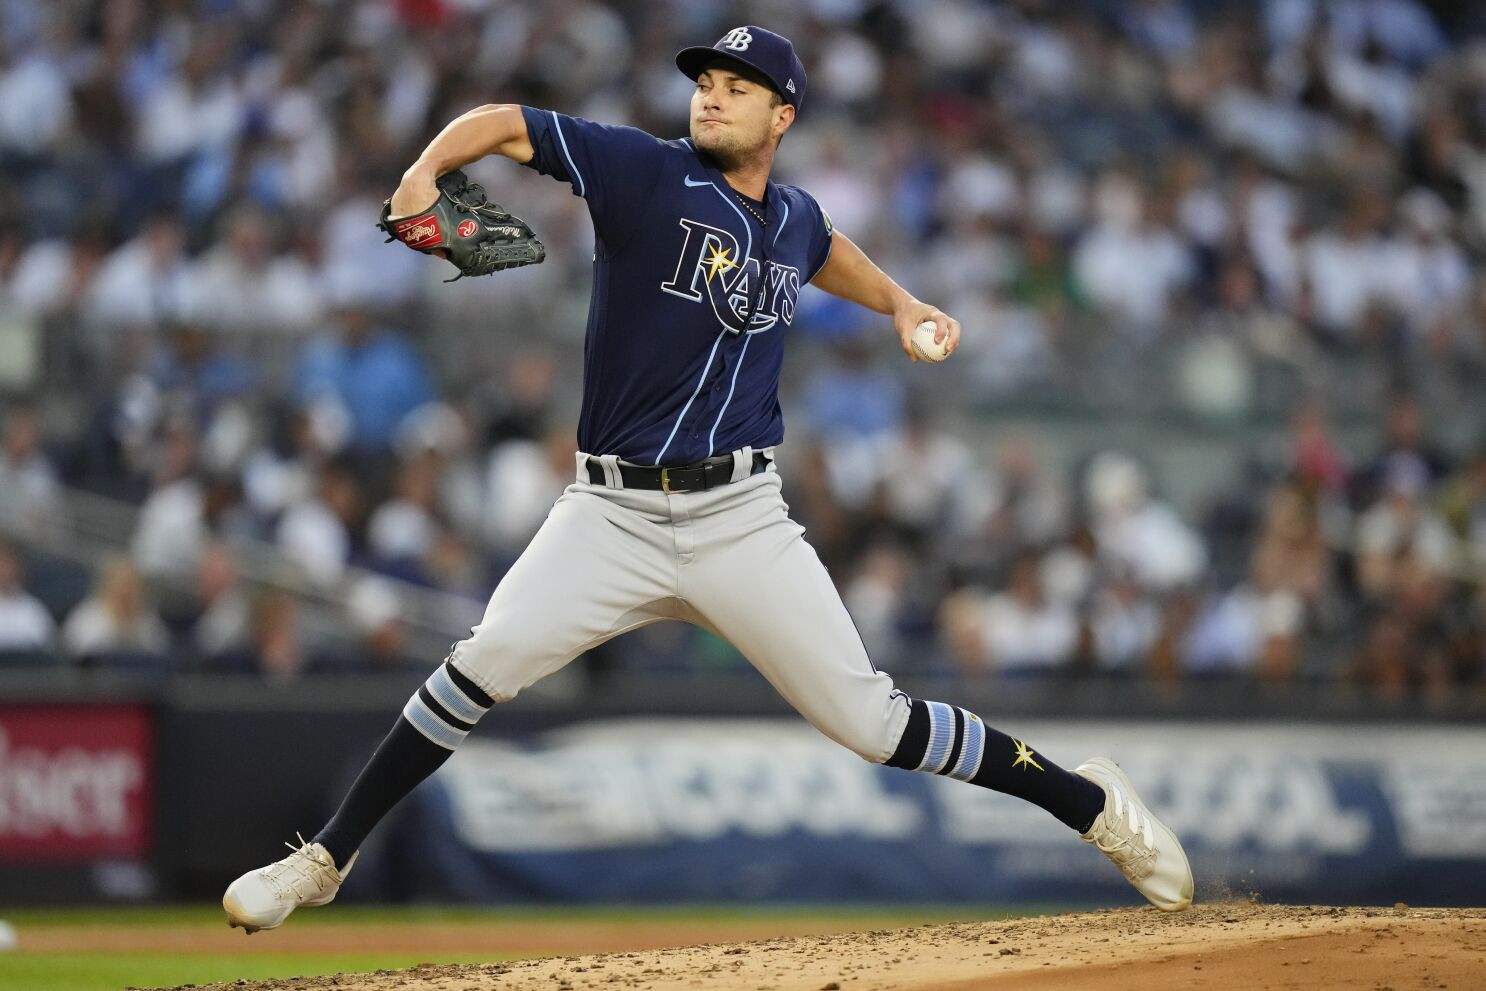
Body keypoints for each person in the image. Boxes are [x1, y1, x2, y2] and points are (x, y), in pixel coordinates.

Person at [223, 26, 1191, 932]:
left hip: (739, 516)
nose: (713, 99)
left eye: (740, 89)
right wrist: (427, 168)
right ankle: (324, 858)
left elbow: (821, 249)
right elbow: (508, 124)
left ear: (784, 117)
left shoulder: (794, 218)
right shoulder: (644, 172)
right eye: (706, 84)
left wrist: (900, 301)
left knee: (872, 722)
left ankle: (1090, 802)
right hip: (609, 512)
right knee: (478, 667)